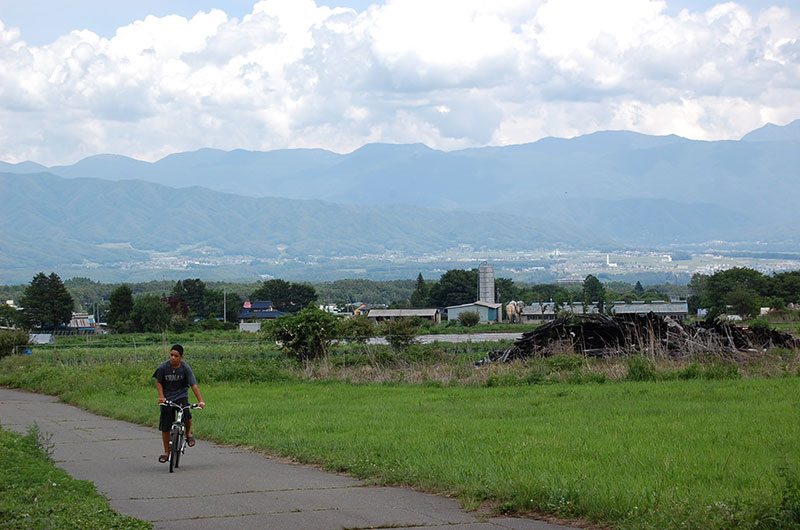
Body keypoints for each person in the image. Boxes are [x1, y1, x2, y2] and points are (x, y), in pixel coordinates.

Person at [153, 344, 205, 463]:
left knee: (187, 415)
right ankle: (167, 452)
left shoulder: (185, 368)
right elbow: (158, 382)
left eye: (176, 356)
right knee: (166, 426)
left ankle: (188, 433)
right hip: (167, 398)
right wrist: (161, 396)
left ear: (181, 357)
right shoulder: (163, 367)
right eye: (171, 355)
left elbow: (193, 385)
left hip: (181, 396)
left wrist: (200, 401)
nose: (173, 358)